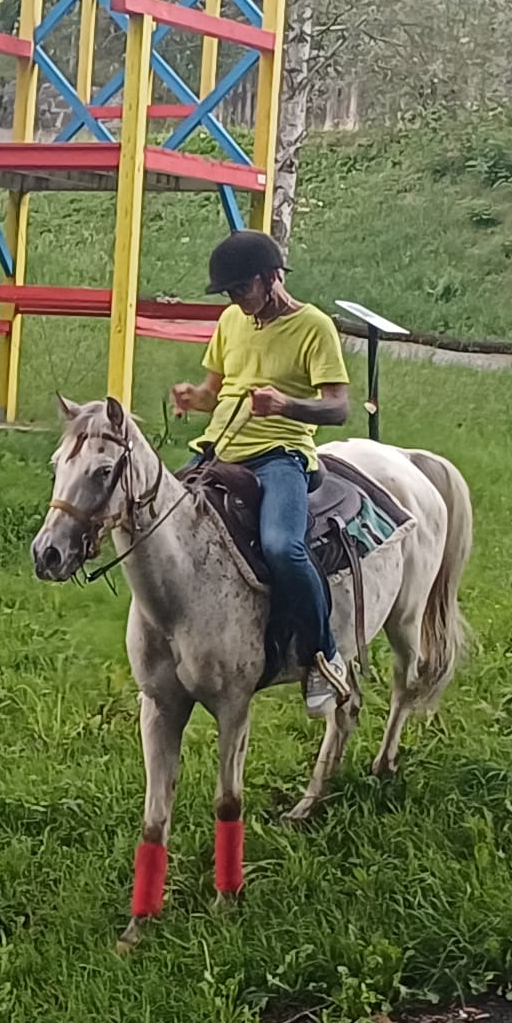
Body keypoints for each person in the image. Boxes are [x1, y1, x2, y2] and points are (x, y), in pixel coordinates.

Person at [171, 230, 352, 716]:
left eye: (240, 288)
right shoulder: (231, 320)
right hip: (215, 450)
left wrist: (286, 404)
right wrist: (195, 396)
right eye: (227, 291)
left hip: (280, 455)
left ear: (272, 278)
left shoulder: (313, 326)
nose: (234, 299)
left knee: (282, 547)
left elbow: (339, 408)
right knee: (155, 521)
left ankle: (322, 655)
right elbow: (216, 389)